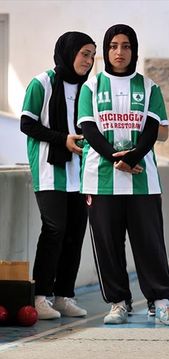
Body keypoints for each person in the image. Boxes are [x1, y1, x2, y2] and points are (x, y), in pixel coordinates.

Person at [77, 24, 169, 325]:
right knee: (107, 244)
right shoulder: (91, 87)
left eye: (125, 46)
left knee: (150, 243)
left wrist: (133, 157)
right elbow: (88, 128)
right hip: (101, 178)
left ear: (133, 50)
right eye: (113, 46)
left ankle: (160, 301)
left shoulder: (149, 87)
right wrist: (115, 159)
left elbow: (152, 128)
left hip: (141, 178)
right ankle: (118, 302)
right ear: (106, 51)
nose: (119, 52)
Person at [20, 32, 96, 320]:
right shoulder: (41, 83)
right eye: (84, 54)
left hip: (79, 171)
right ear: (69, 52)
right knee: (54, 230)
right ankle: (41, 297)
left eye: (92, 55)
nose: (88, 61)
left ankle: (64, 296)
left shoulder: (87, 89)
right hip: (49, 170)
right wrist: (62, 139)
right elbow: (27, 124)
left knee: (76, 233)